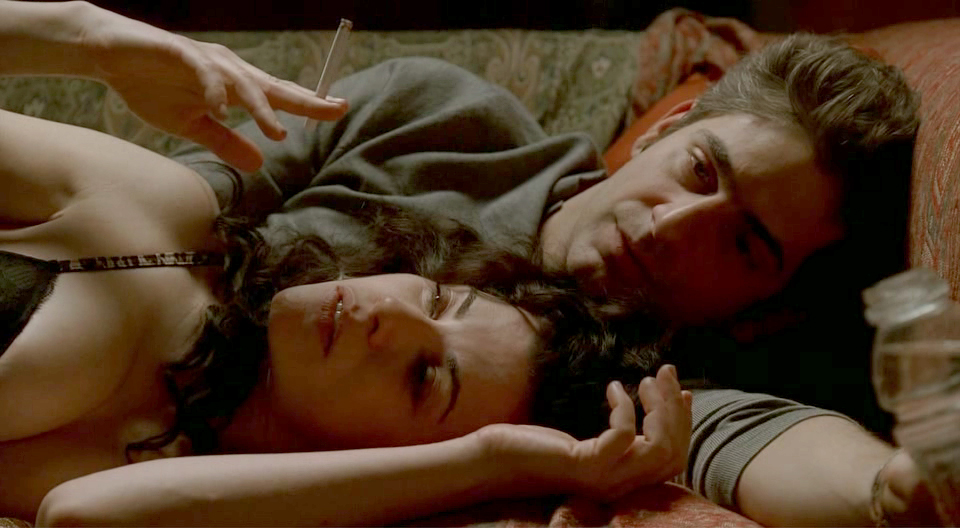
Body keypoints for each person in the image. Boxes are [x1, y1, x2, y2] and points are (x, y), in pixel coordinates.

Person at [170, 27, 939, 528]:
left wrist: (897, 487)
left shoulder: (639, 392)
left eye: (743, 245)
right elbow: (167, 201)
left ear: (762, 307)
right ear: (666, 130)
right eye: (699, 172)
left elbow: (785, 451)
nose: (668, 226)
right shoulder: (437, 115)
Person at [0, 2, 696, 524]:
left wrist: (490, 462)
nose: (387, 315)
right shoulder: (170, 217)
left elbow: (79, 516)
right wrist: (86, 38)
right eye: (435, 301)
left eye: (424, 377)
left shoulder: (174, 468)